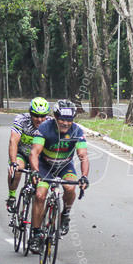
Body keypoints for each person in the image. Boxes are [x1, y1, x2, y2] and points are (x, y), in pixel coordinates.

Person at [27, 100, 90, 253]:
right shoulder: (44, 128)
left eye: (69, 120)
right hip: (44, 167)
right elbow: (34, 152)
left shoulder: (77, 131)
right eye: (62, 119)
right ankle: (35, 234)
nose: (65, 123)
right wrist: (35, 171)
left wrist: (84, 176)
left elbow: (83, 156)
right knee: (40, 195)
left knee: (70, 188)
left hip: (64, 166)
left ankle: (66, 214)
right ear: (55, 117)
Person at [5, 97, 50, 213]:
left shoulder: (50, 123)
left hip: (39, 157)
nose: (40, 120)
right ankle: (12, 196)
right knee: (17, 170)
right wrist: (13, 163)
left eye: (43, 116)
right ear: (30, 114)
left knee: (40, 183)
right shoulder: (21, 120)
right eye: (36, 115)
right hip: (22, 153)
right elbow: (13, 141)